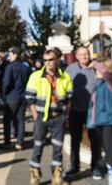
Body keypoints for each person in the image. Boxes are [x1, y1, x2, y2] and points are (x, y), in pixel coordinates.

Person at [26, 49, 73, 185]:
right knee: (38, 146)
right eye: (45, 60)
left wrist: (66, 115)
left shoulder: (65, 77)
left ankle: (57, 177)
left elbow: (69, 98)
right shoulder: (36, 76)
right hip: (41, 117)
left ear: (57, 60)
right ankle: (34, 176)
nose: (48, 63)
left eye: (51, 60)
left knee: (58, 148)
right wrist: (35, 115)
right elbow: (29, 98)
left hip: (58, 118)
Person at [65, 46, 104, 180]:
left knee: (95, 140)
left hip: (93, 110)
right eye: (81, 54)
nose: (84, 57)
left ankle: (96, 167)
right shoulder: (70, 69)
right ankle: (74, 167)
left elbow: (108, 78)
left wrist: (97, 66)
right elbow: (64, 86)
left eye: (86, 54)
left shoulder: (96, 66)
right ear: (76, 56)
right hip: (75, 110)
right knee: (75, 140)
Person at [87, 60, 112, 185]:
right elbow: (93, 105)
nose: (96, 72)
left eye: (97, 70)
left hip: (110, 122)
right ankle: (110, 171)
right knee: (107, 150)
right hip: (99, 122)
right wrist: (91, 122)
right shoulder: (100, 85)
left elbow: (106, 74)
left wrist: (96, 64)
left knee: (110, 150)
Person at [0, 47, 31, 151]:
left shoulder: (10, 67)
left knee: (7, 120)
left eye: (10, 54)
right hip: (22, 96)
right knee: (21, 120)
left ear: (15, 55)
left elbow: (6, 83)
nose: (9, 57)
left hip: (12, 96)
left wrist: (4, 94)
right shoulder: (25, 67)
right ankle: (19, 143)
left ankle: (7, 142)